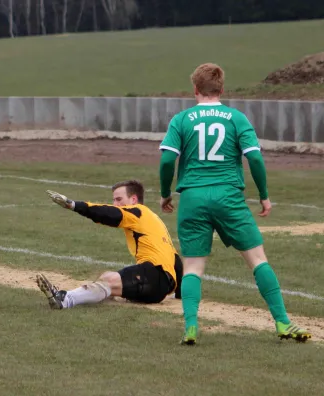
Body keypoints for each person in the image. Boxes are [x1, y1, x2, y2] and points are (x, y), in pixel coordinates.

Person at [159, 63, 311, 345]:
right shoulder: (236, 118)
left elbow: (168, 159)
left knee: (192, 267)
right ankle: (282, 322)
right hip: (228, 195)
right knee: (257, 260)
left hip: (192, 196)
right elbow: (254, 158)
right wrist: (264, 195)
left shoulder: (181, 119)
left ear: (195, 89)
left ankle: (191, 327)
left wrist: (165, 193)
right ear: (221, 89)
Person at [36, 180, 183, 310]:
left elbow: (108, 213)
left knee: (109, 280)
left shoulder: (137, 212)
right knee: (106, 278)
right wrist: (179, 293)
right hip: (161, 285)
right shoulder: (154, 221)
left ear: (133, 199)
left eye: (119, 199)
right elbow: (175, 260)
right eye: (114, 200)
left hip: (153, 276)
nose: (115, 204)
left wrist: (74, 205)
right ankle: (98, 296)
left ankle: (64, 299)